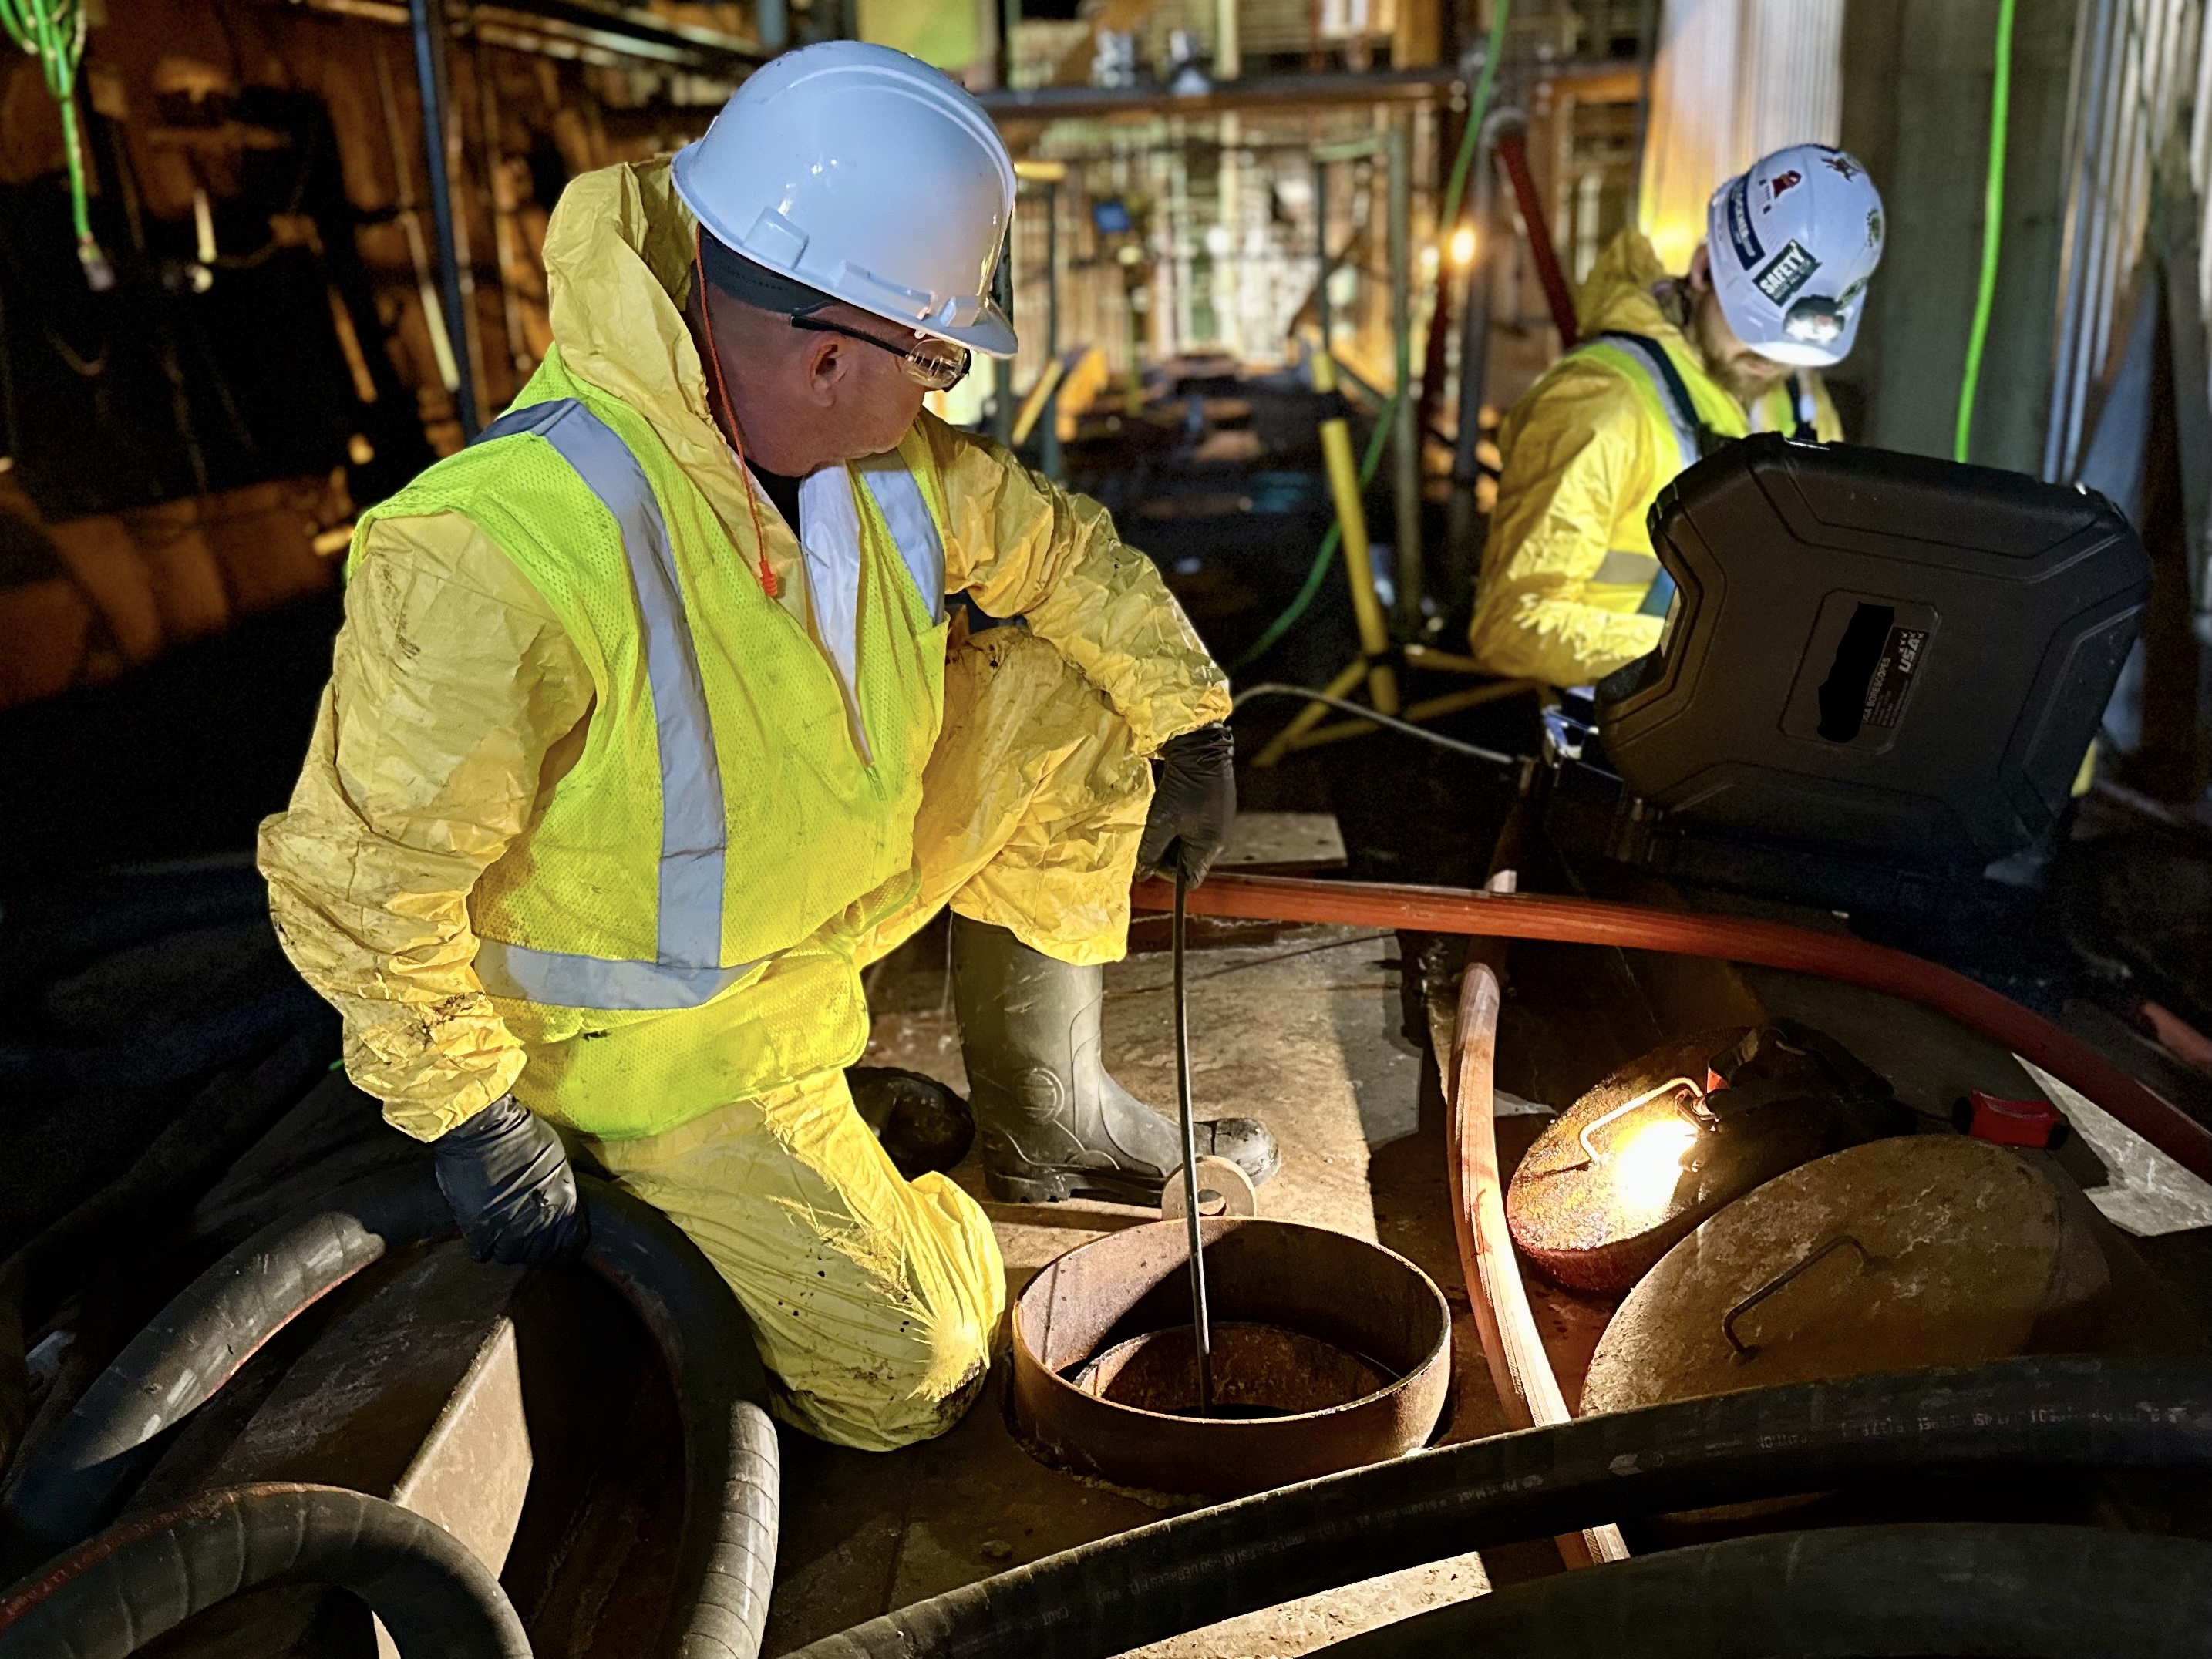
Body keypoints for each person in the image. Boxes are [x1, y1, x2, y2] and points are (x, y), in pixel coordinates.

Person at [258, 42, 1278, 1453]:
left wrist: (1192, 718)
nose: (940, 395)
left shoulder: (870, 467)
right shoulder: (497, 546)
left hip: (805, 944)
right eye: (932, 359)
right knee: (915, 1373)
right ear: (823, 350)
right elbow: (358, 878)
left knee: (1078, 687)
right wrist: (467, 1116)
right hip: (647, 1049)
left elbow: (1060, 554)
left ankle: (1045, 1111)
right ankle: (803, 1204)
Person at [1468, 144, 1885, 688]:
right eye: (1753, 329)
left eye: (1791, 348)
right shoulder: (1602, 404)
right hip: (1622, 729)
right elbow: (1511, 625)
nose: (1770, 363)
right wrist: (1711, 651)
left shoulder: (1800, 403)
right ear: (1704, 267)